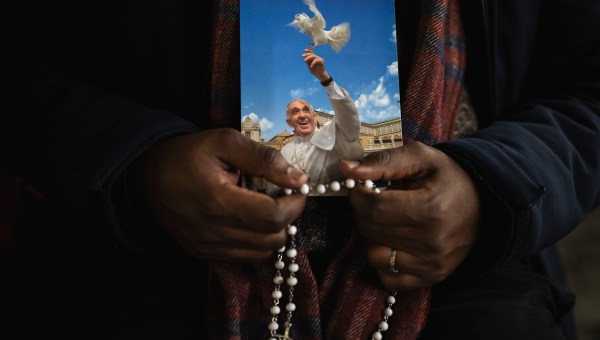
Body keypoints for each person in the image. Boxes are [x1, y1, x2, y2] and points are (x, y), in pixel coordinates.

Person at [1, 1, 599, 339]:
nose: (299, 117)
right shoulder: (279, 148)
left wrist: (491, 190)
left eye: (303, 111)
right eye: (292, 112)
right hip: (141, 259)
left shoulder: (338, 129)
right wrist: (139, 165)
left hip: (455, 272)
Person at [272, 49, 364, 196]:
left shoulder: (334, 134)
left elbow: (349, 118)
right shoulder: (284, 153)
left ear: (315, 117)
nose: (302, 115)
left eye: (306, 110)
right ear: (289, 123)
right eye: (295, 112)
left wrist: (324, 78)